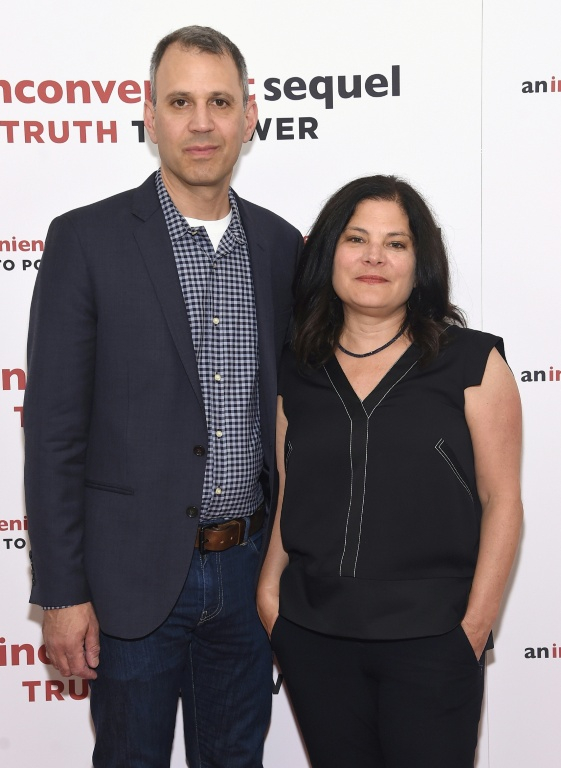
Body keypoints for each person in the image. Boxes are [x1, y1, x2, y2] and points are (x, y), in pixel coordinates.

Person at [24, 25, 301, 768]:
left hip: (249, 576)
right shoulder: (86, 241)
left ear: (250, 114)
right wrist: (60, 593)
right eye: (180, 101)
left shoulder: (284, 249)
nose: (201, 122)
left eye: (219, 101)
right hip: (128, 581)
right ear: (149, 114)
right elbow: (53, 432)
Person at [257, 175, 522, 768]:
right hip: (313, 636)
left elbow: (503, 500)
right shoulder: (296, 369)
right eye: (357, 239)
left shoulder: (474, 363)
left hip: (433, 642)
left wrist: (473, 630)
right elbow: (287, 492)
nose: (374, 256)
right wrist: (271, 600)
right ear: (330, 254)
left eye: (396, 243)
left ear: (419, 262)